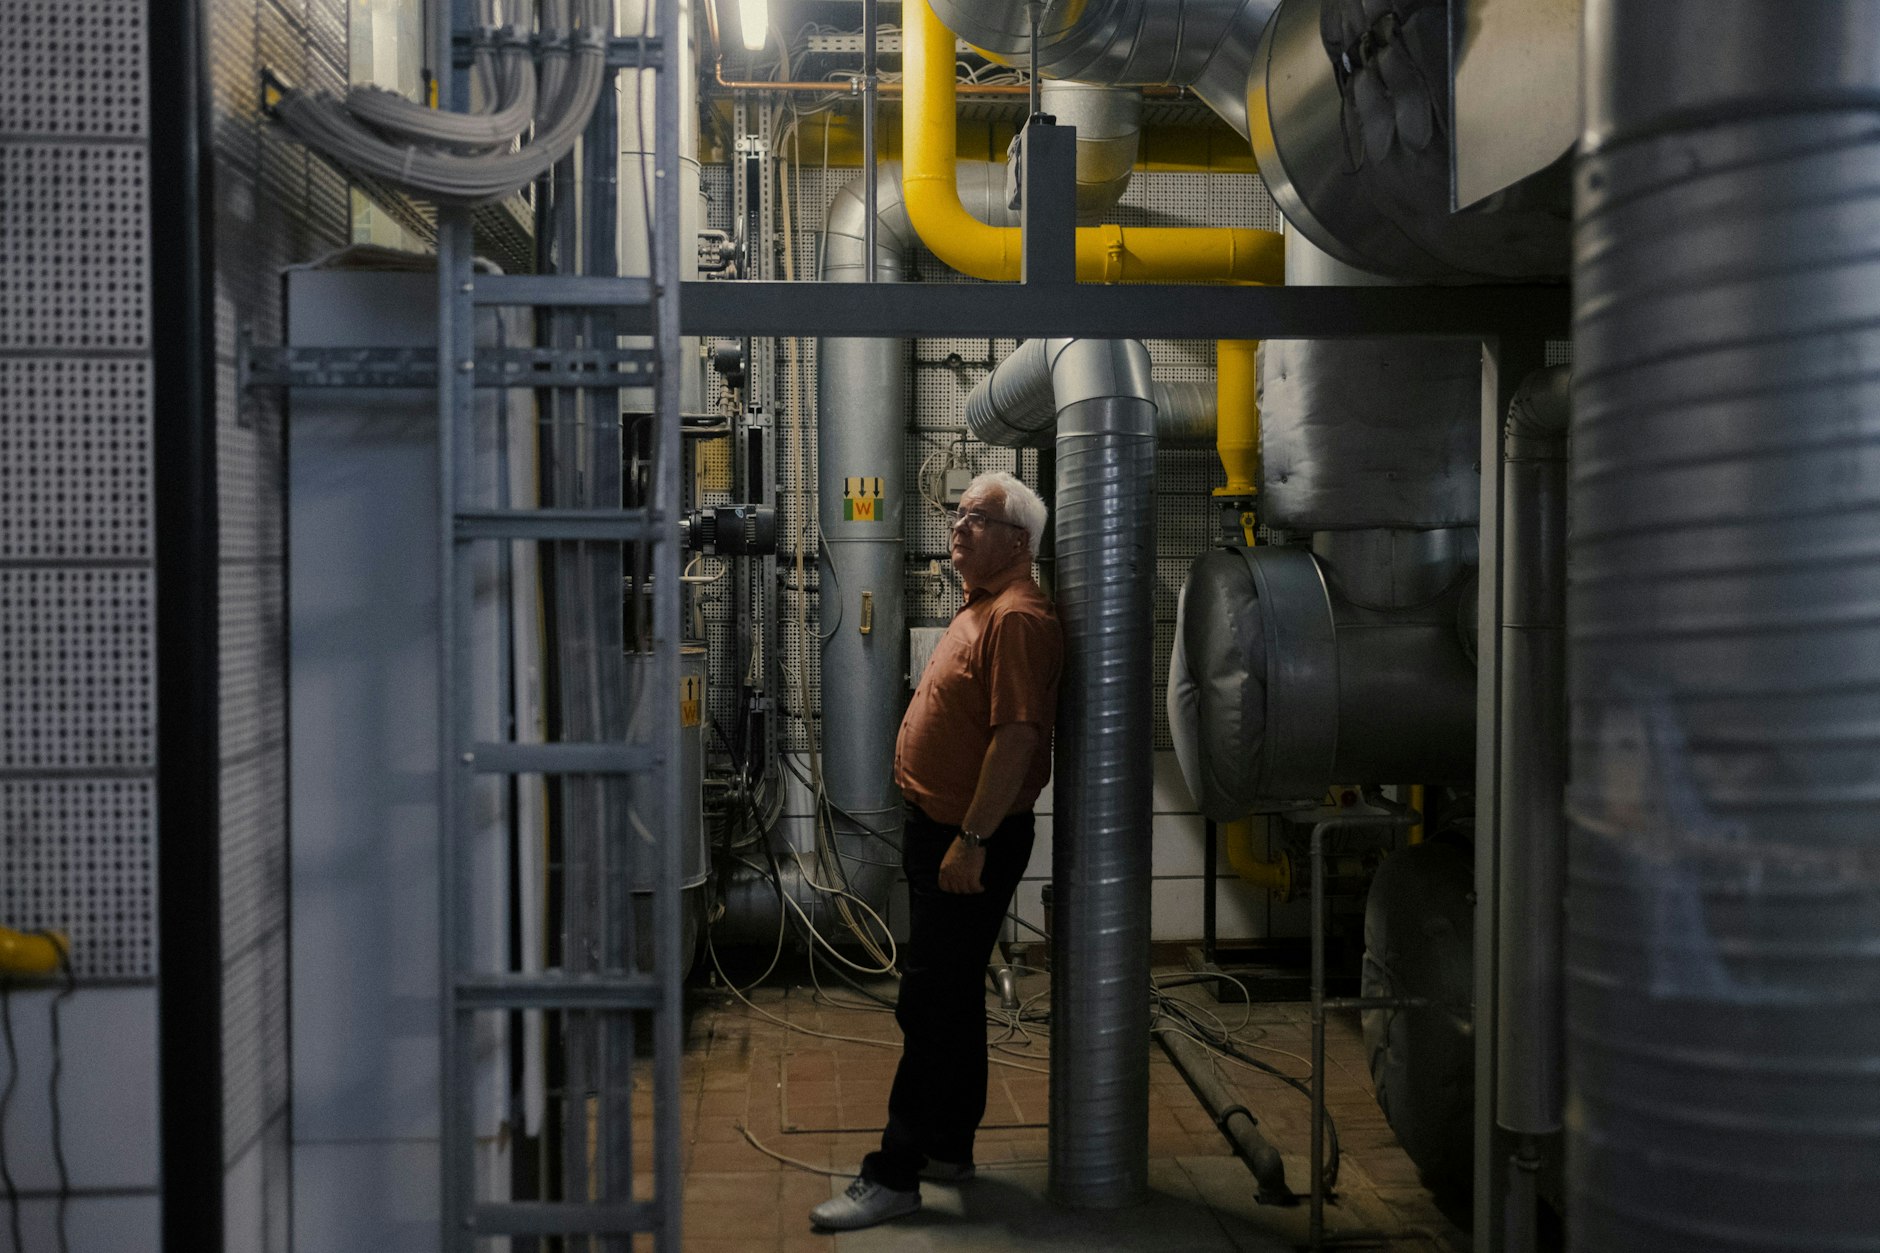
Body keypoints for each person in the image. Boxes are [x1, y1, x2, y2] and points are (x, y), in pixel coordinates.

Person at [810, 470, 1063, 1231]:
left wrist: (972, 841)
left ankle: (896, 1172)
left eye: (976, 517)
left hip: (967, 839)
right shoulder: (984, 606)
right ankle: (948, 1146)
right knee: (949, 1000)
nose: (957, 526)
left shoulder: (1017, 617)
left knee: (930, 1001)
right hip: (945, 832)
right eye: (957, 513)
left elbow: (1017, 738)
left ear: (1017, 541)